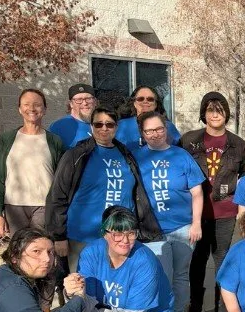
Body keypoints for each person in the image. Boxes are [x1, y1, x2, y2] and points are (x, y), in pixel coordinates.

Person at [43, 104, 161, 272]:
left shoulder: (125, 154)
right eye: (98, 124)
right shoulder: (77, 155)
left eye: (109, 124)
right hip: (83, 237)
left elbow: (136, 193)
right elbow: (57, 196)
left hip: (120, 238)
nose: (104, 128)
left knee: (116, 289)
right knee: (82, 289)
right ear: (91, 126)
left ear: (116, 127)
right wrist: (58, 236)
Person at [182, 91, 245, 312]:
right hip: (198, 212)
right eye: (210, 110)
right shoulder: (189, 141)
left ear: (226, 114)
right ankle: (195, 306)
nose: (215, 115)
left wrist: (241, 203)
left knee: (223, 259)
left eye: (220, 110)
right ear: (204, 113)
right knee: (198, 260)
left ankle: (224, 305)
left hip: (225, 212)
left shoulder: (237, 144)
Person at [132, 112, 204, 312]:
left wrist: (196, 223)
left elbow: (197, 192)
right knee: (159, 276)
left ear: (166, 129)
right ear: (143, 134)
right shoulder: (137, 157)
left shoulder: (181, 156)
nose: (155, 134)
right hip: (152, 230)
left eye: (159, 129)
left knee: (180, 276)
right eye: (149, 130)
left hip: (183, 227)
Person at [0, 89, 65, 239]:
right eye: (26, 104)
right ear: (19, 109)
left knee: (41, 250)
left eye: (37, 105)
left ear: (44, 109)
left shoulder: (54, 141)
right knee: (18, 253)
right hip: (14, 207)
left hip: (44, 207)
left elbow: (60, 180)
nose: (31, 109)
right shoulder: (7, 139)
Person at [115, 84, 182, 149]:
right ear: (134, 103)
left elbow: (177, 150)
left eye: (150, 99)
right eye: (140, 99)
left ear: (156, 104)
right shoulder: (121, 125)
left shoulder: (168, 126)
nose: (145, 101)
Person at [49, 83, 97, 148]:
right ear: (71, 104)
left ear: (95, 102)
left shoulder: (109, 124)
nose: (85, 103)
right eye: (79, 100)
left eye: (88, 99)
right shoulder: (58, 127)